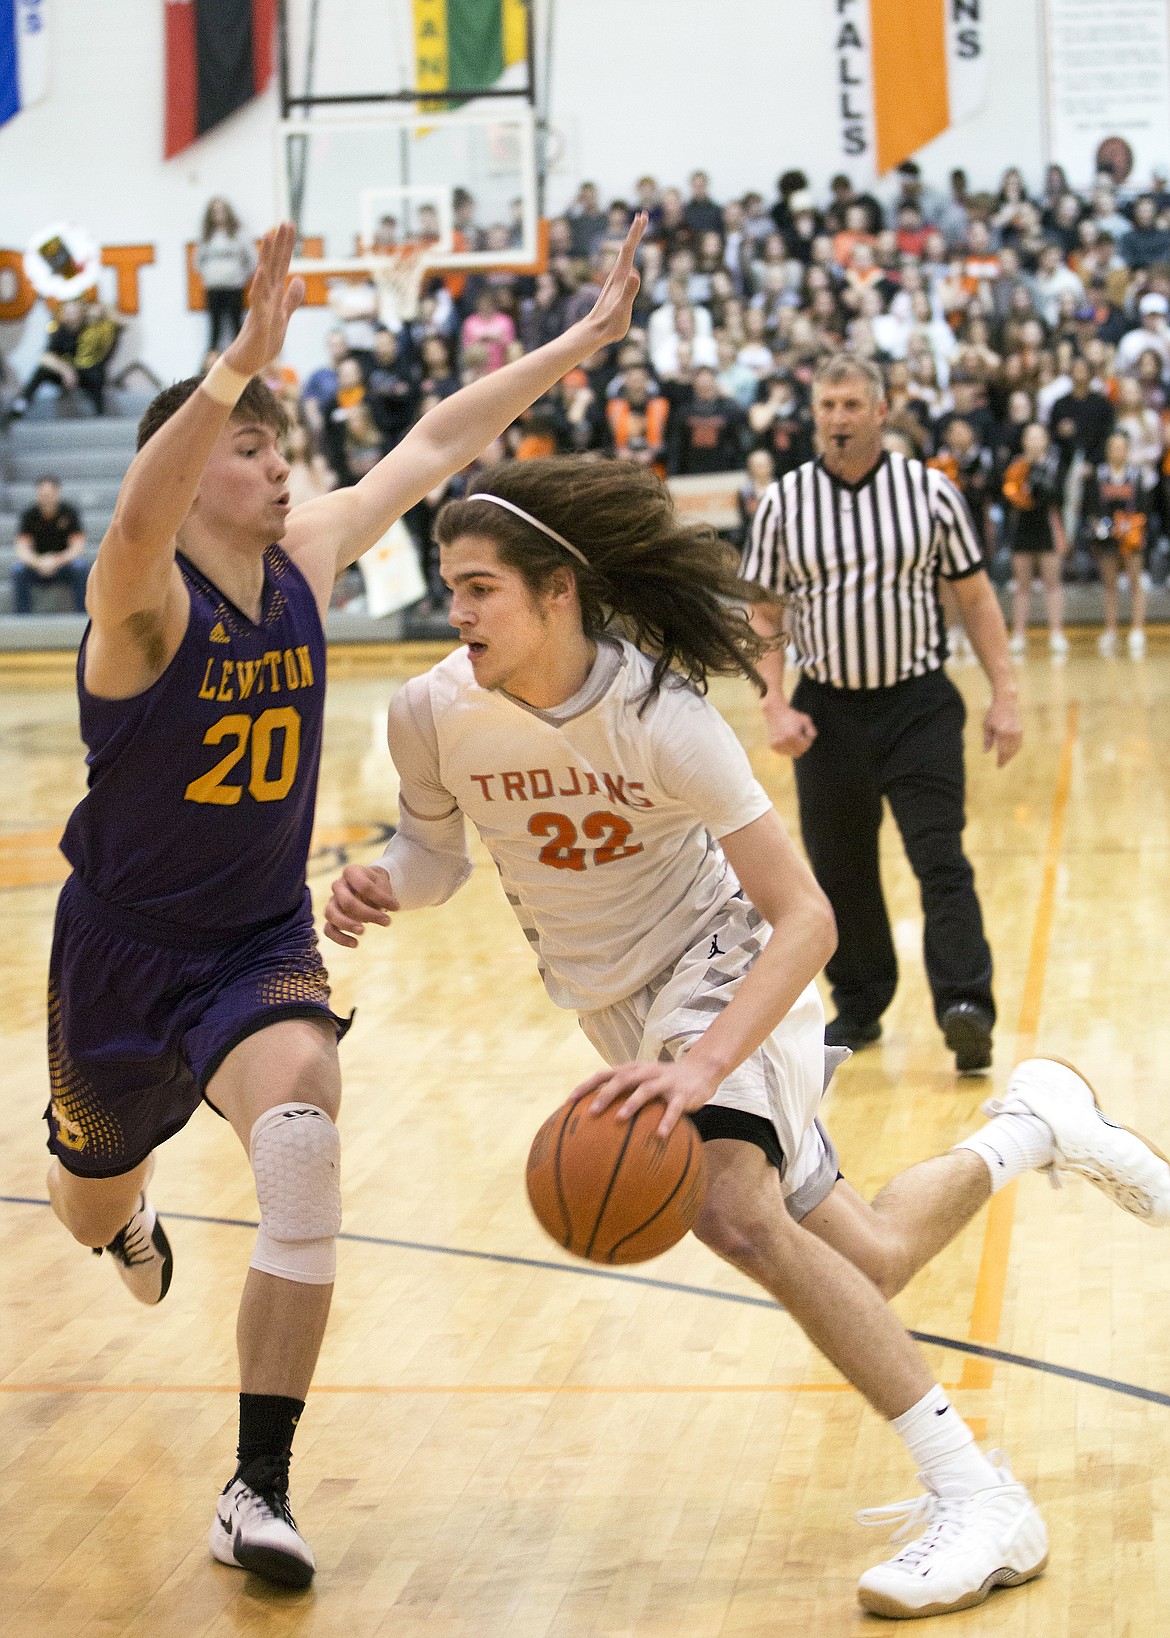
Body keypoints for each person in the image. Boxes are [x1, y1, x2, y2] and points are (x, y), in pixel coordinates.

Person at [321, 454, 1170, 1621]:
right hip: (613, 1009)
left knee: (726, 1207)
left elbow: (807, 917)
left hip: (724, 969)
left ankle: (978, 1497)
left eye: (480, 589)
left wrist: (703, 1066)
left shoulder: (659, 711)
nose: (453, 610)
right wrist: (383, 884)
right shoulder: (429, 712)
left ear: (556, 590)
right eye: (448, 586)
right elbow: (434, 858)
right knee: (864, 1262)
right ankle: (1033, 1128)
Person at [41, 217, 645, 1590]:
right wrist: (227, 369)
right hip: (120, 964)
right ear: (195, 468)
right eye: (251, 448)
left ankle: (257, 1481)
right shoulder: (139, 603)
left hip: (256, 946)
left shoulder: (303, 559)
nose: (279, 465)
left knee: (304, 1127)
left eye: (278, 443)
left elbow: (433, 444)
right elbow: (136, 516)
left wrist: (573, 342)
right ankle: (124, 1217)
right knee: (85, 1206)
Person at [742, 354, 1021, 1073]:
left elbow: (977, 597)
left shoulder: (929, 493)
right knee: (842, 871)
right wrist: (772, 701)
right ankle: (860, 1006)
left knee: (941, 859)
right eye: (826, 405)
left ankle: (967, 1005)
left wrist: (1006, 695)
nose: (837, 418)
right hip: (827, 709)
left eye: (850, 405)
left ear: (881, 410)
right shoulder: (782, 503)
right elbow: (764, 611)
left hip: (918, 704)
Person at [1002, 422, 1069, 655]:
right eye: (1029, 437)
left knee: (1052, 583)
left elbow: (1057, 496)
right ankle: (1018, 634)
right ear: (1023, 442)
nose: (1034, 442)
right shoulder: (1015, 465)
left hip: (1047, 526)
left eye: (1039, 437)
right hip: (1022, 526)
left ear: (1046, 441)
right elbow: (1008, 494)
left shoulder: (1054, 465)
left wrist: (1039, 483)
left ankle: (1056, 632)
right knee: (1022, 585)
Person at [1085, 428, 1150, 655]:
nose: (1117, 451)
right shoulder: (1099, 474)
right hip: (1108, 537)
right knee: (1110, 585)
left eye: (1122, 447)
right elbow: (1091, 506)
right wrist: (1099, 527)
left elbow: (1144, 506)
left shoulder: (1136, 475)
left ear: (1128, 450)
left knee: (1135, 582)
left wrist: (1133, 527)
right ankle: (1111, 629)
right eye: (1113, 447)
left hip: (1132, 536)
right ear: (1107, 450)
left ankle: (1137, 629)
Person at [13, 476, 88, 612]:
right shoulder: (29, 515)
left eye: (49, 494)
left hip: (63, 565)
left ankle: (83, 613)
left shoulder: (69, 513)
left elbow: (77, 547)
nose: (46, 498)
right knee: (18, 571)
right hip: (37, 565)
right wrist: (39, 562)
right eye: (42, 494)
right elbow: (22, 548)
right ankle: (23, 616)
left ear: (57, 493)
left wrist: (55, 560)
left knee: (80, 568)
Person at [195, 198, 257, 354]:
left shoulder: (238, 234)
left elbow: (252, 259)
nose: (219, 215)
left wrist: (240, 277)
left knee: (237, 328)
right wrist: (210, 275)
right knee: (214, 331)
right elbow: (197, 261)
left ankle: (241, 361)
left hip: (234, 287)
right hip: (213, 288)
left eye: (222, 210)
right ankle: (210, 367)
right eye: (215, 211)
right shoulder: (206, 236)